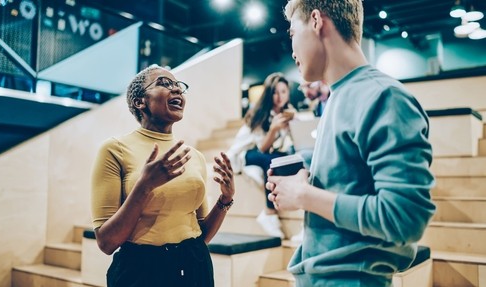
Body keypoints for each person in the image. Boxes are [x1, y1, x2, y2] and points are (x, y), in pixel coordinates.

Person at [266, 1, 436, 286]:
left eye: (293, 33)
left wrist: (304, 196)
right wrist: (305, 182)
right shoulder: (339, 96)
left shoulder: (383, 97)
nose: (292, 49)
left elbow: (405, 218)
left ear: (317, 21)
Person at [91, 64, 235, 287]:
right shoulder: (114, 149)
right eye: (164, 84)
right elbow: (106, 242)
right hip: (141, 270)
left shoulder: (192, 156)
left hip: (195, 265)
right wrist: (144, 186)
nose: (176, 90)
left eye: (178, 86)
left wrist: (225, 199)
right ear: (140, 102)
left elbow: (201, 233)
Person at [227, 72, 295, 239]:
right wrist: (273, 129)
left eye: (283, 92)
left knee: (286, 158)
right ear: (268, 93)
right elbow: (262, 148)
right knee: (272, 161)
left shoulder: (287, 113)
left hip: (266, 152)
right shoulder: (259, 113)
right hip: (246, 153)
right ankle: (269, 212)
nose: (279, 97)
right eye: (275, 92)